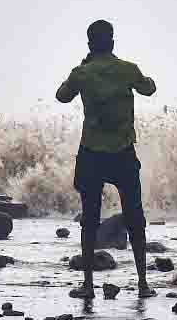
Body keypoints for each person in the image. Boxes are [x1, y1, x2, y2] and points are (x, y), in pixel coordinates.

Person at [56, 20, 157, 299]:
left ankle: (88, 285)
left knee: (89, 220)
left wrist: (82, 67)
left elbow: (62, 96)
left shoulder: (82, 73)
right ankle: (143, 284)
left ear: (90, 44)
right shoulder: (128, 69)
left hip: (92, 154)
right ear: (112, 42)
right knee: (135, 218)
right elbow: (150, 88)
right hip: (123, 153)